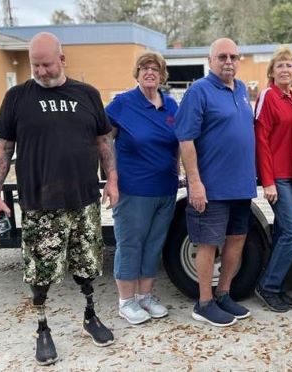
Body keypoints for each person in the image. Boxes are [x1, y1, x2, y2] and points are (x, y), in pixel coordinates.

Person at [0, 32, 118, 365]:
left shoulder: (87, 94)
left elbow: (104, 141)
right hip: (40, 204)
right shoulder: (17, 97)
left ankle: (90, 316)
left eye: (46, 64)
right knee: (40, 274)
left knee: (88, 267)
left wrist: (112, 178)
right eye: (35, 65)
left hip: (84, 201)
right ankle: (42, 328)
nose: (41, 71)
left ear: (62, 59)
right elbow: (2, 148)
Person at [175, 38, 257, 327]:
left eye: (234, 56)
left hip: (241, 185)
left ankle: (223, 295)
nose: (228, 61)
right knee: (208, 243)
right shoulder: (198, 91)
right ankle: (204, 302)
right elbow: (185, 139)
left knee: (237, 239)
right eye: (222, 56)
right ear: (210, 60)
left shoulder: (242, 89)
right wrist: (195, 183)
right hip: (212, 187)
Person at [105, 52, 179, 324]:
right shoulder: (122, 104)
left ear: (162, 75)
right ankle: (126, 301)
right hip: (133, 189)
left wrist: (180, 172)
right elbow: (102, 142)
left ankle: (144, 297)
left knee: (153, 244)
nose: (150, 72)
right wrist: (110, 179)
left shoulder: (171, 106)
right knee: (131, 243)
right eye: (144, 68)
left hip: (166, 189)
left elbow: (179, 143)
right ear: (136, 74)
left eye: (155, 69)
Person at [253, 46, 292, 312]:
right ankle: (268, 286)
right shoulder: (268, 96)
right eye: (280, 66)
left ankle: (278, 287)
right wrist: (268, 180)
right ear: (272, 71)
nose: (285, 70)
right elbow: (261, 139)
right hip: (278, 178)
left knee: (285, 231)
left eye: (289, 66)